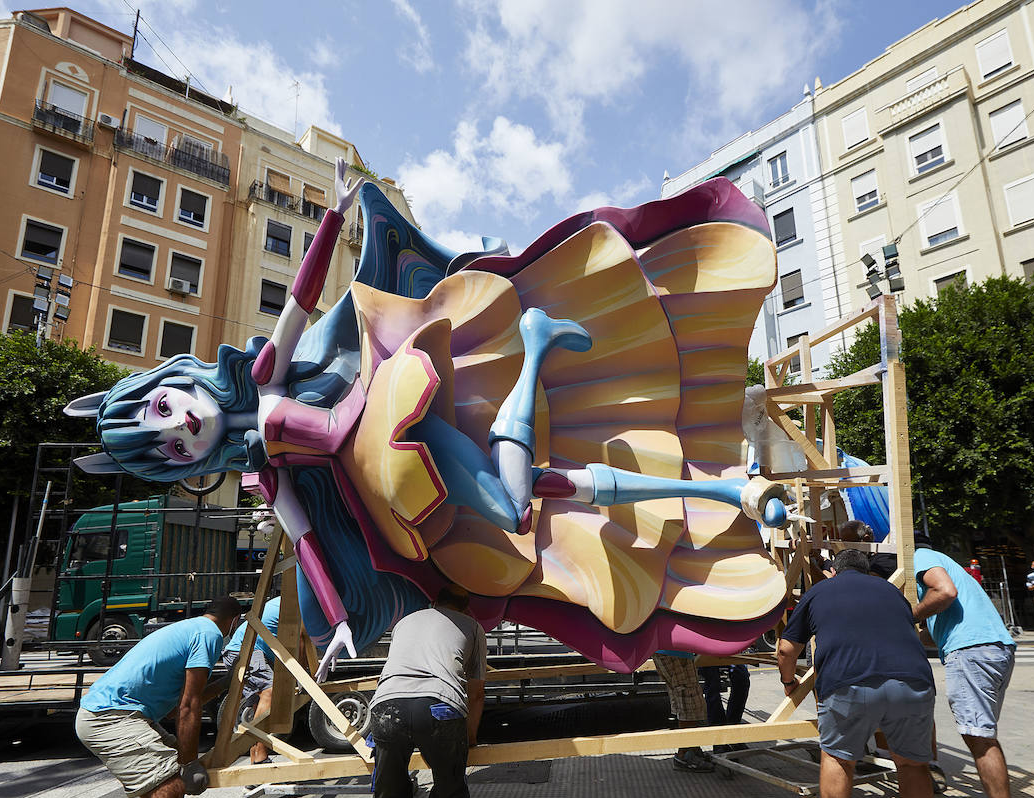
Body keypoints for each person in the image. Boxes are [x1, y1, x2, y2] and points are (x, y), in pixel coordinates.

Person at [64, 171, 795, 679]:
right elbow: (311, 542)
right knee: (522, 499)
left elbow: (302, 296)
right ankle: (717, 493)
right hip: (396, 480)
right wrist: (339, 620)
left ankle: (541, 353)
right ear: (176, 464)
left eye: (163, 409)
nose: (182, 423)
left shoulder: (265, 379)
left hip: (391, 406)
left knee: (517, 502)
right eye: (166, 444)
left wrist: (335, 213)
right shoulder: (266, 471)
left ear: (171, 383)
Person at [777, 549, 940, 798]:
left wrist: (789, 681)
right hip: (913, 683)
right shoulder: (891, 592)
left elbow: (786, 649)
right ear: (869, 572)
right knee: (912, 765)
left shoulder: (819, 590)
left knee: (838, 758)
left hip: (849, 683)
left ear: (834, 571)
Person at [75, 596, 243, 798]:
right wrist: (189, 762)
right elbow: (189, 707)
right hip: (110, 717)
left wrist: (227, 682)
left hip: (118, 714)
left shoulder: (190, 627)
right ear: (233, 621)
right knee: (169, 789)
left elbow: (187, 696)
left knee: (160, 780)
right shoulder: (208, 635)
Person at [368, 586, 486, 798]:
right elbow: (476, 693)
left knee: (389, 795)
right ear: (468, 607)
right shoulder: (472, 627)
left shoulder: (406, 621)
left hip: (385, 708)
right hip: (439, 708)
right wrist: (470, 738)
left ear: (433, 600)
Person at [913, 535, 1027, 798]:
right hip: (995, 647)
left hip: (972, 652)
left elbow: (945, 592)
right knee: (984, 735)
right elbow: (934, 632)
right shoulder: (950, 567)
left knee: (979, 737)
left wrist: (909, 615)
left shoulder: (919, 557)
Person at [218, 595, 282, 764]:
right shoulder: (295, 604)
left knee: (258, 702)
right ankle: (260, 756)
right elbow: (301, 642)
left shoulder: (284, 601)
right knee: (271, 691)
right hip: (246, 650)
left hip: (238, 651)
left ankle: (256, 758)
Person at [655, 651, 714, 771]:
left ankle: (691, 748)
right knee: (687, 696)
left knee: (686, 694)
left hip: (674, 651)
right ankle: (685, 752)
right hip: (674, 651)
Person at [700, 659, 750, 752]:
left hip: (729, 652)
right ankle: (719, 738)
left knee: (742, 678)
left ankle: (733, 729)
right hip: (706, 653)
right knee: (712, 684)